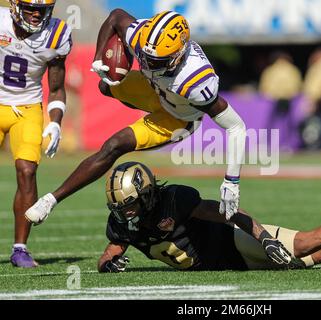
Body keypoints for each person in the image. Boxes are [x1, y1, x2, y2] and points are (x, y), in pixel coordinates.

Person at [25, 9, 247, 225]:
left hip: (177, 118)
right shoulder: (144, 38)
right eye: (146, 57)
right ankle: (51, 200)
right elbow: (116, 16)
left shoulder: (197, 82)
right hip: (153, 90)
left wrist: (232, 181)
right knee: (105, 84)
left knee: (114, 145)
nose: (148, 63)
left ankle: (50, 200)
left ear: (179, 55)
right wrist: (98, 58)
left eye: (157, 60)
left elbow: (236, 127)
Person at [97, 162, 321, 273]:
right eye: (121, 207)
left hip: (234, 241)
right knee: (320, 253)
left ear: (149, 195)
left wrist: (263, 237)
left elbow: (228, 214)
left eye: (131, 204)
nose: (126, 213)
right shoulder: (123, 224)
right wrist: (109, 264)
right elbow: (110, 253)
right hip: (228, 263)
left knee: (305, 244)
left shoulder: (175, 199)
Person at [0, 0, 72, 267]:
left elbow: (56, 87)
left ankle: (20, 249)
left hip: (28, 107)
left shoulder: (57, 34)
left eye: (41, 9)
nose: (35, 13)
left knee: (28, 171)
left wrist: (55, 122)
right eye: (30, 7)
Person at [259, 51, 302, 150]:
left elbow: (264, 86)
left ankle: (264, 144)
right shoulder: (292, 70)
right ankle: (287, 145)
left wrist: (269, 93)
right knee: (288, 124)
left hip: (274, 99)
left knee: (270, 123)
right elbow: (297, 85)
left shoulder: (271, 70)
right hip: (287, 98)